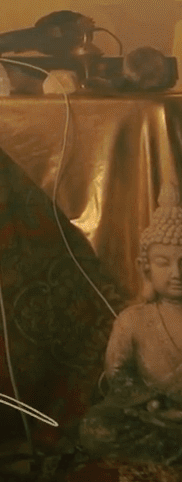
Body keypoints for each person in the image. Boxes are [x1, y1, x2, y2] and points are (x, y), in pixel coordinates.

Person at [79, 183, 182, 467]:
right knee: (96, 428)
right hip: (154, 415)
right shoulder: (133, 321)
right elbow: (118, 375)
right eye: (164, 262)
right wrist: (153, 402)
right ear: (145, 267)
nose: (177, 273)